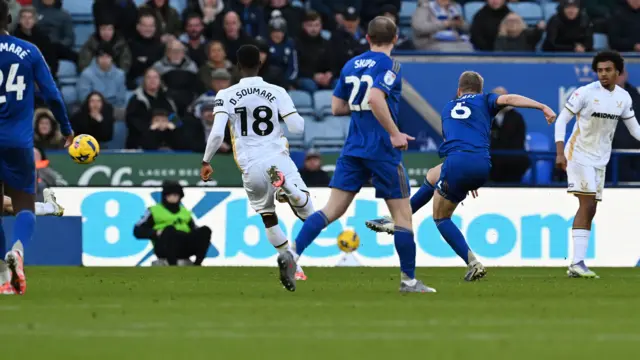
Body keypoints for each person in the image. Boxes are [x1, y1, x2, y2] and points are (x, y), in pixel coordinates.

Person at [277, 17, 434, 293]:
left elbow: (337, 107)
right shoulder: (391, 65)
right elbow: (375, 98)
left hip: (353, 147)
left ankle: (293, 252)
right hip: (382, 150)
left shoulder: (351, 64)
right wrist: (395, 132)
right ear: (395, 38)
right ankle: (408, 281)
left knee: (331, 210)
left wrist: (362, 108)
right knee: (402, 216)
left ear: (368, 38)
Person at [366, 71, 556, 281]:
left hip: (458, 162)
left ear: (459, 90)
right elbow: (510, 99)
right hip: (481, 165)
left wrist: (461, 172)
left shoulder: (448, 108)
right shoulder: (486, 99)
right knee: (432, 175)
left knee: (440, 217)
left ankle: (472, 263)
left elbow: (454, 142)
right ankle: (396, 218)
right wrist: (542, 106)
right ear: (481, 89)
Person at [200, 44, 314, 282]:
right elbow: (297, 127)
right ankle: (290, 190)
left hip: (251, 166)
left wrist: (206, 161)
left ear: (238, 66)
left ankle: (292, 264)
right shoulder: (277, 91)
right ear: (260, 63)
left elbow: (217, 134)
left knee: (268, 216)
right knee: (309, 215)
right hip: (277, 159)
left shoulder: (226, 95)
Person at [0, 1, 73, 296]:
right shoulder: (29, 51)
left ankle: (4, 277)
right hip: (18, 142)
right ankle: (17, 252)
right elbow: (52, 95)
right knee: (23, 207)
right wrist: (67, 129)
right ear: (8, 18)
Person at [554, 51, 640, 278]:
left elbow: (635, 130)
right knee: (587, 203)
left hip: (600, 159)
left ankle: (576, 263)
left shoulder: (624, 98)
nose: (603, 74)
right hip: (578, 153)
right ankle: (577, 262)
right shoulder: (584, 93)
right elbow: (562, 119)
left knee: (591, 208)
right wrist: (560, 152)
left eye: (608, 70)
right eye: (600, 70)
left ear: (618, 72)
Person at [133, 180, 212, 266]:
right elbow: (137, 230)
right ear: (165, 196)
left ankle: (197, 264)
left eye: (176, 194)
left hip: (184, 244)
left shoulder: (185, 212)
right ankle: (172, 265)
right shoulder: (154, 211)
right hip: (164, 245)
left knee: (205, 230)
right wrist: (156, 233)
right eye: (170, 194)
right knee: (170, 230)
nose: (173, 197)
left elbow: (193, 229)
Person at [126, 67, 178, 149]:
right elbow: (132, 121)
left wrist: (170, 124)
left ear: (160, 80)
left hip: (166, 136)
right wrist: (151, 126)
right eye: (149, 77)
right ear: (144, 81)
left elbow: (175, 118)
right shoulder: (136, 99)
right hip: (142, 139)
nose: (152, 80)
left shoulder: (167, 98)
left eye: (155, 77)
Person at [76, 44, 127, 120]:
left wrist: (108, 110)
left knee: (129, 113)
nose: (104, 60)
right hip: (92, 108)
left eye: (107, 57)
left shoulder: (120, 74)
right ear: (97, 58)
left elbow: (121, 99)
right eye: (101, 57)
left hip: (113, 110)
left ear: (112, 58)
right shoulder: (87, 74)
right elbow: (84, 98)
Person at [296, 11, 335, 93]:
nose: (313, 29)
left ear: (321, 26)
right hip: (306, 77)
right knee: (310, 85)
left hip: (324, 78)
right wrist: (313, 76)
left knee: (339, 83)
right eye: (310, 25)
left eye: (317, 25)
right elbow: (296, 68)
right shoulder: (297, 44)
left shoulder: (326, 43)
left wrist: (330, 73)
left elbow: (334, 63)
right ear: (304, 26)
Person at [127, 10, 165, 90]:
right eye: (145, 26)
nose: (148, 29)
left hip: (157, 86)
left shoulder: (161, 46)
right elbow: (130, 70)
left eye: (151, 26)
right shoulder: (130, 45)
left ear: (155, 28)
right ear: (138, 27)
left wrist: (145, 61)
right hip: (135, 86)